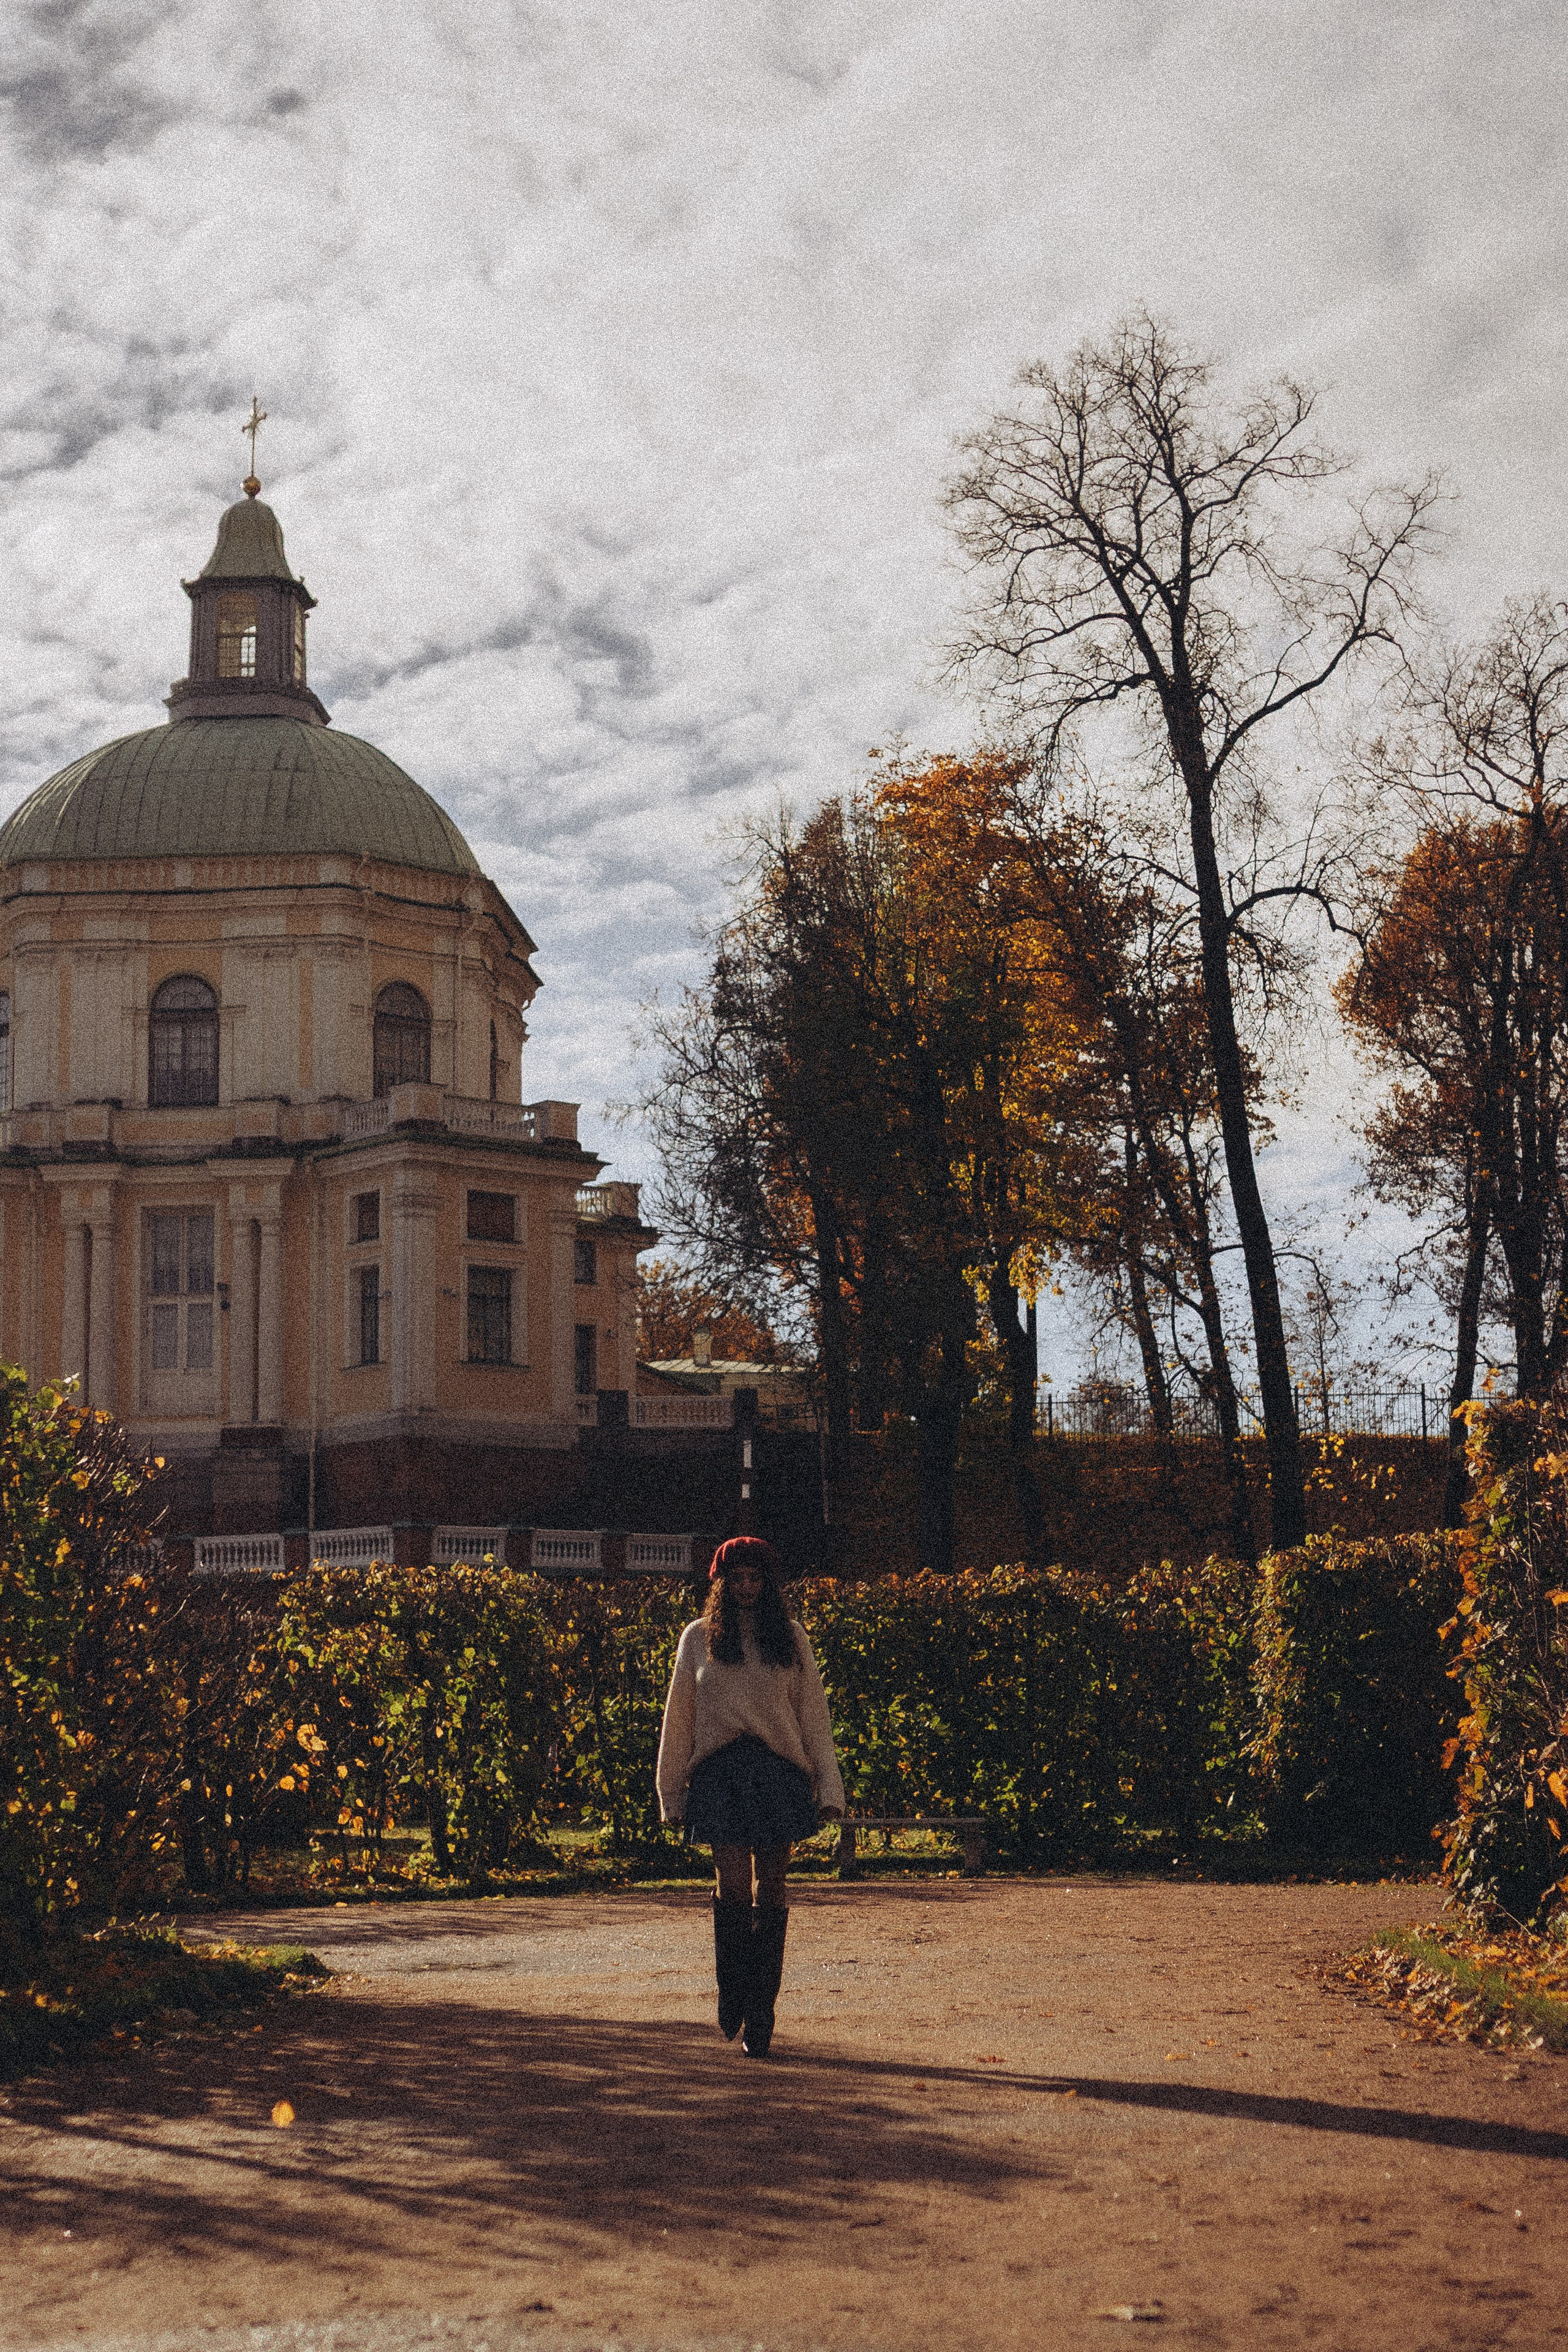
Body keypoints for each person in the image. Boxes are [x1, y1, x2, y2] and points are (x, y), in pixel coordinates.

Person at [656, 1535, 845, 2057]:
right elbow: (679, 1719)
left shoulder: (791, 1638)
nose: (745, 1587)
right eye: (736, 1578)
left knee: (773, 1889)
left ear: (768, 1584)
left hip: (779, 1773)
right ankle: (733, 1989)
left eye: (755, 1578)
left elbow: (813, 1715)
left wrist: (830, 1787)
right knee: (734, 1887)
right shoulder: (697, 1638)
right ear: (720, 1583)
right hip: (720, 1774)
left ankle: (762, 2010)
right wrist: (670, 1793)